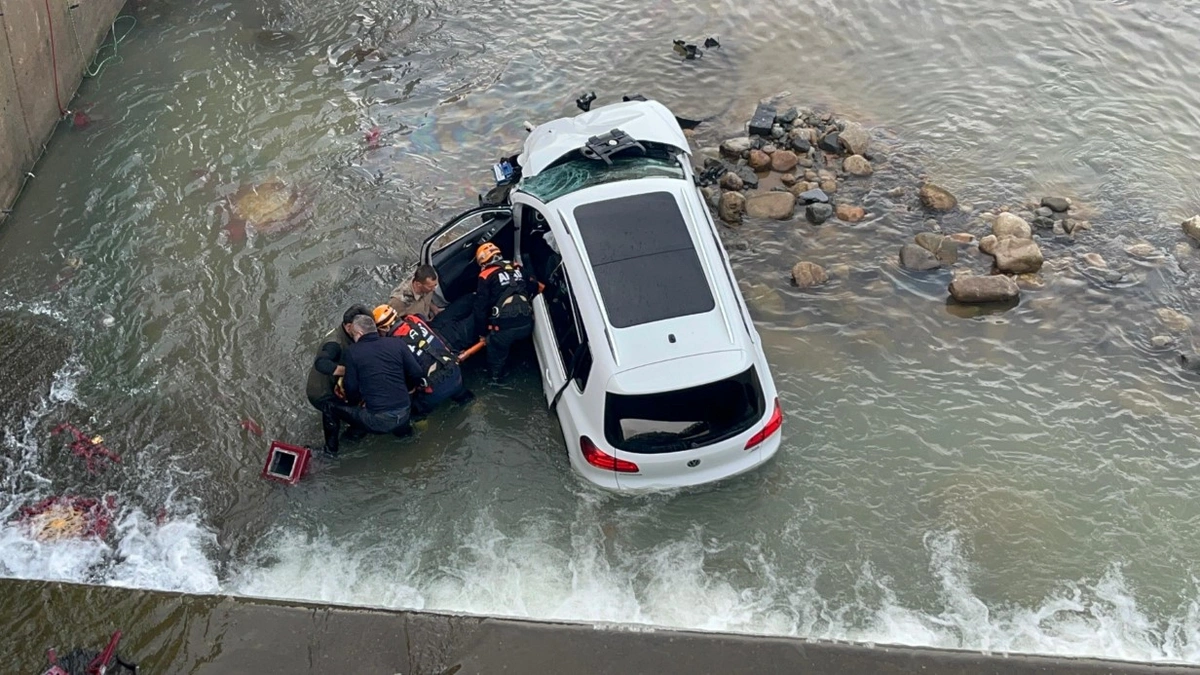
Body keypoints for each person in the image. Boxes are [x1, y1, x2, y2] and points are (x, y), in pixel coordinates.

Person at [324, 315, 425, 453]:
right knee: (403, 434)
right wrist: (409, 390)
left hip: (378, 420)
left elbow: (351, 389)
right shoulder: (397, 343)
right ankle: (408, 438)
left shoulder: (353, 352)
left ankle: (330, 451)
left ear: (359, 333)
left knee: (329, 407)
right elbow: (417, 373)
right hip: (404, 410)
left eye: (353, 335)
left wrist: (357, 405)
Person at [373, 305, 473, 416]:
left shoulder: (394, 346)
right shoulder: (414, 319)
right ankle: (475, 405)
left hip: (434, 390)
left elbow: (407, 375)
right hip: (455, 372)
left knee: (417, 412)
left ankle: (421, 422)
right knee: (464, 397)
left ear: (385, 328)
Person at [306, 304, 372, 454]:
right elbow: (321, 363)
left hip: (335, 386)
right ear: (349, 327)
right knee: (361, 422)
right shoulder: (334, 343)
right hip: (323, 393)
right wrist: (348, 371)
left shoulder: (351, 334)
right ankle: (335, 449)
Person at [473, 242, 537, 382]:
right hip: (527, 325)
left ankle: (495, 380)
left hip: (504, 330)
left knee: (496, 355)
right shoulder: (517, 267)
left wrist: (482, 334)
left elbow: (480, 309)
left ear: (483, 261)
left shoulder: (485, 275)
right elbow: (533, 286)